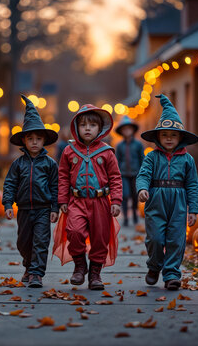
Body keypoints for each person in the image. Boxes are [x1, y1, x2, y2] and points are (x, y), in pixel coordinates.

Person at [54, 104, 122, 290]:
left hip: (100, 202)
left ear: (100, 129)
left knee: (100, 238)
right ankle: (79, 265)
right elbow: (63, 176)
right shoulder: (69, 151)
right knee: (74, 231)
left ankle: (95, 274)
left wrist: (116, 201)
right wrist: (62, 200)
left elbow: (116, 177)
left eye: (92, 125)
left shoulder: (107, 152)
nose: (87, 129)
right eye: (83, 125)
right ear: (76, 128)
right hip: (76, 200)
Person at [136, 94, 198, 291]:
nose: (169, 138)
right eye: (165, 135)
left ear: (180, 137)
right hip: (156, 201)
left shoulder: (188, 160)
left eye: (173, 135)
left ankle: (171, 274)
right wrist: (143, 188)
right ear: (158, 137)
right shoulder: (152, 157)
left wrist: (193, 209)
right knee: (155, 238)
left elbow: (192, 185)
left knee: (176, 240)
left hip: (179, 203)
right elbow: (143, 175)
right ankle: (154, 265)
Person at [2, 95, 59, 288]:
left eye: (38, 138)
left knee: (41, 241)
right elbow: (9, 184)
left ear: (44, 140)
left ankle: (36, 273)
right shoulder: (18, 164)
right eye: (30, 138)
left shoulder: (50, 164)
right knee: (23, 242)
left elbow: (55, 186)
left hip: (43, 209)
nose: (34, 142)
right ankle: (28, 265)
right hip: (24, 209)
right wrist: (8, 204)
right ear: (24, 140)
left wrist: (55, 208)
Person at [114, 116, 144, 227]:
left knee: (134, 195)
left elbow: (142, 159)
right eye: (124, 129)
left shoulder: (138, 144)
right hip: (123, 174)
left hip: (136, 173)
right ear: (121, 131)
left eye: (129, 128)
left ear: (132, 130)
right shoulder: (119, 146)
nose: (127, 131)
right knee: (125, 195)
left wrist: (142, 173)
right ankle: (126, 217)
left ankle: (135, 216)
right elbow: (117, 160)